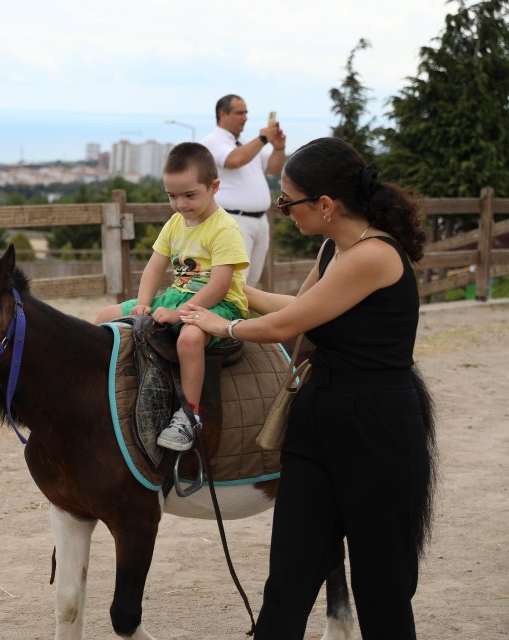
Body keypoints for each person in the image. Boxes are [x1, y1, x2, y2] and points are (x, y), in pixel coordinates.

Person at [179, 137, 436, 639]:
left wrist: (221, 326)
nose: (283, 211)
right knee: (288, 583)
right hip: (318, 418)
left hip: (377, 426)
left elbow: (286, 327)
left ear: (325, 205)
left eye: (287, 201)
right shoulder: (332, 247)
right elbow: (293, 307)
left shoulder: (374, 255)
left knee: (381, 591)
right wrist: (225, 289)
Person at [95, 142, 250, 452]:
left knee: (189, 339)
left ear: (214, 187)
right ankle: (106, 391)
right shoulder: (176, 223)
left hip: (218, 304)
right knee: (103, 317)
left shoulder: (224, 229)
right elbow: (154, 267)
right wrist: (142, 301)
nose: (180, 204)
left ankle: (189, 415)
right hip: (176, 296)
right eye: (172, 196)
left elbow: (220, 285)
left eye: (189, 195)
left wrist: (181, 315)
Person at [202, 94, 286, 285]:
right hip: (234, 219)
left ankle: (242, 316)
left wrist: (279, 149)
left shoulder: (247, 143)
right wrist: (263, 138)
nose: (245, 117)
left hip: (260, 221)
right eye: (240, 113)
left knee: (252, 282)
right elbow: (234, 160)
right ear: (223, 114)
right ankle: (226, 316)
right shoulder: (213, 140)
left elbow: (273, 168)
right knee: (236, 282)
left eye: (246, 112)